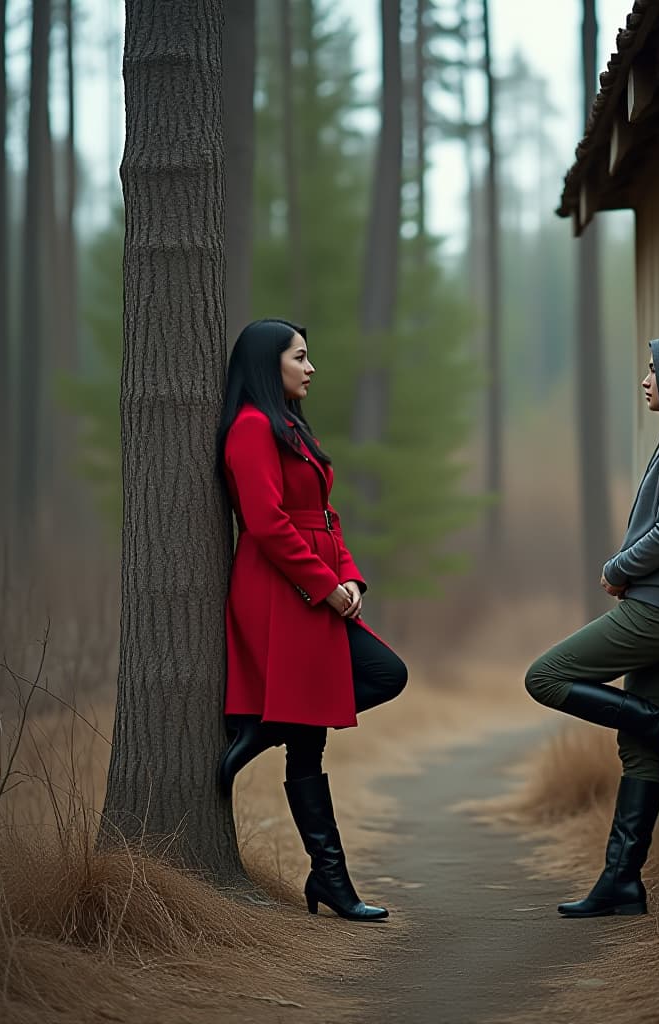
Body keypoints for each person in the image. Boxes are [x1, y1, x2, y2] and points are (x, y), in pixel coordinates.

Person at [524, 331, 659, 918]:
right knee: (637, 746)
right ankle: (622, 883)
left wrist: (616, 568)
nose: (645, 379)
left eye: (655, 369)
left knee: (545, 676)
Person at [216, 318, 407, 922]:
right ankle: (333, 881)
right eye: (300, 357)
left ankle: (263, 732)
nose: (310, 367)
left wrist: (348, 576)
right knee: (314, 739)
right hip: (280, 592)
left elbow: (325, 514)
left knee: (383, 676)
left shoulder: (289, 426)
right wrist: (324, 587)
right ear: (268, 364)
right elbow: (268, 523)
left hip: (316, 589)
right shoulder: (249, 430)